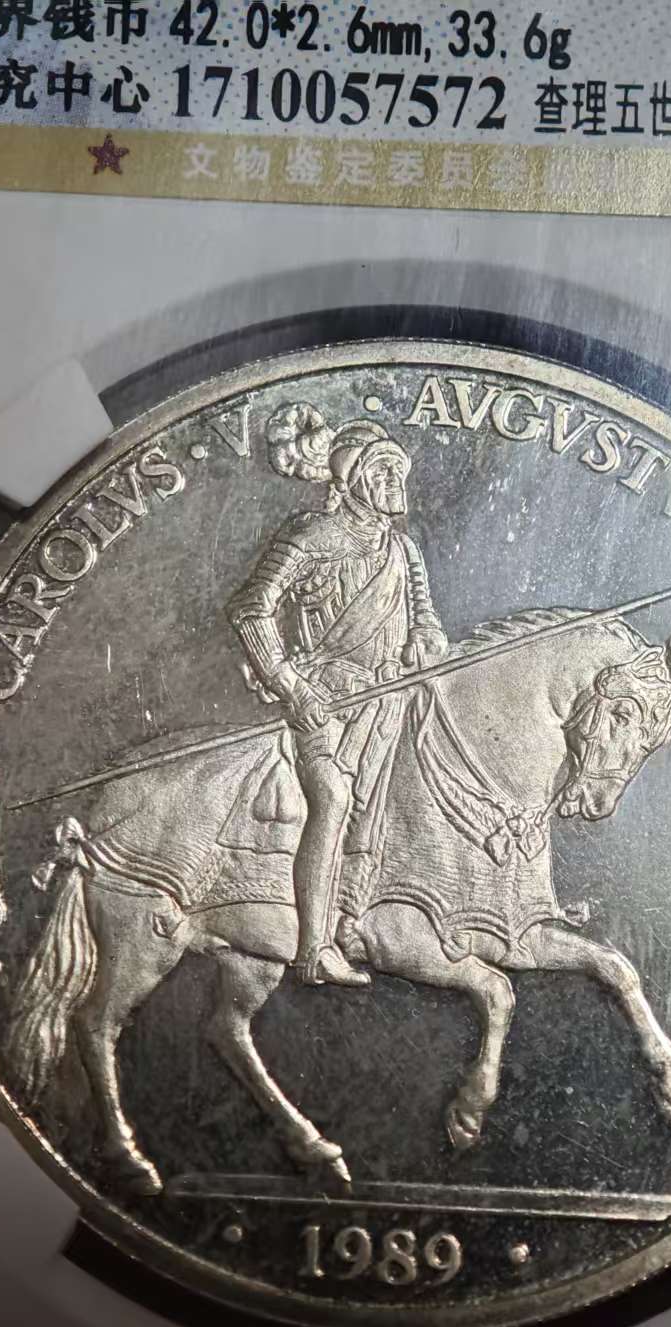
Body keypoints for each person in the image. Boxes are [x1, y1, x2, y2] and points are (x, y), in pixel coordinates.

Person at [227, 403, 449, 988]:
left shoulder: (403, 550)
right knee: (332, 799)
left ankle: (367, 919)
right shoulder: (309, 536)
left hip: (387, 703)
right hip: (321, 702)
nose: (394, 481)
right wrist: (289, 684)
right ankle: (313, 949)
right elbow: (250, 609)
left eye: (397, 469)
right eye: (380, 471)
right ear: (351, 481)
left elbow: (425, 618)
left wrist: (426, 640)